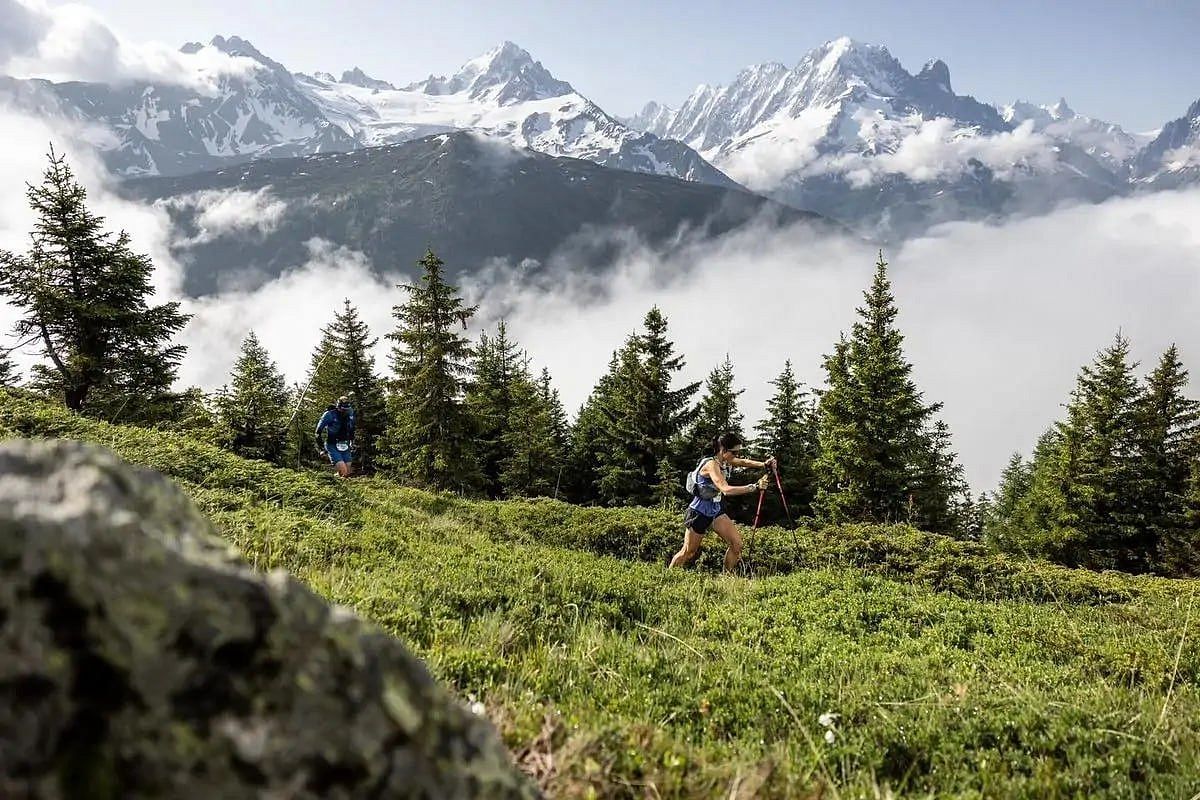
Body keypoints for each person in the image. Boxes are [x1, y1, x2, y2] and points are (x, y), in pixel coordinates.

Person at [669, 432, 774, 573]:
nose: (736, 455)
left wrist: (764, 464)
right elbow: (725, 490)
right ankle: (668, 576)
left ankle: (726, 577)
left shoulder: (724, 460)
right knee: (688, 552)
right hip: (698, 512)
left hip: (715, 511)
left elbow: (743, 462)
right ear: (723, 450)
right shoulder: (711, 465)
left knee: (736, 545)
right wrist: (754, 487)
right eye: (734, 452)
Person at [315, 395, 356, 478]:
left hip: (345, 444)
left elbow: (351, 428)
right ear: (338, 407)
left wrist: (352, 442)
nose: (344, 411)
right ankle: (333, 484)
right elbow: (318, 432)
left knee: (347, 472)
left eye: (346, 409)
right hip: (332, 444)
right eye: (342, 409)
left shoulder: (350, 413)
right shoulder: (329, 414)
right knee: (343, 471)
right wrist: (321, 448)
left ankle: (335, 480)